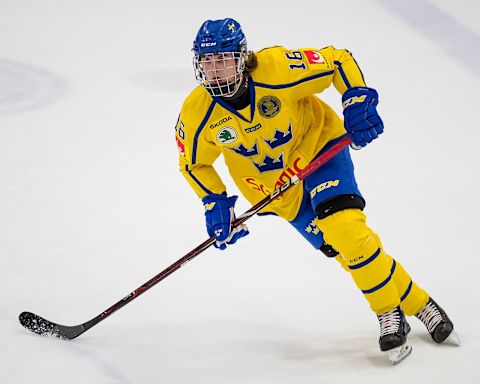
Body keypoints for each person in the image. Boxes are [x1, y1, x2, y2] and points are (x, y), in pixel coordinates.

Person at [174, 18, 459, 364]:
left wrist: (356, 99)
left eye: (224, 60)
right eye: (207, 63)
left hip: (320, 152)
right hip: (279, 192)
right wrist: (214, 201)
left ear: (242, 58)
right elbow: (193, 163)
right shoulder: (196, 113)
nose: (216, 71)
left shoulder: (277, 69)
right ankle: (420, 304)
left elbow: (337, 60)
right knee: (348, 252)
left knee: (346, 232)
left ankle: (388, 314)